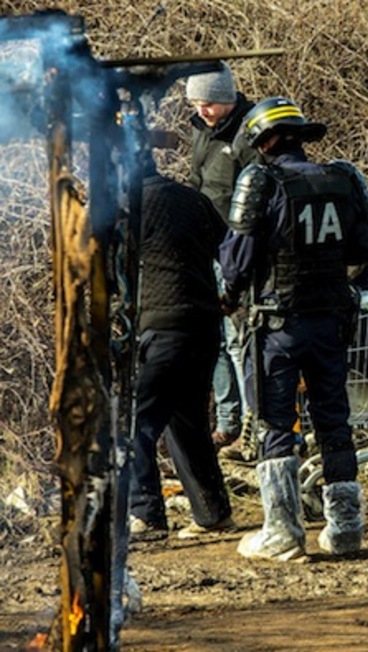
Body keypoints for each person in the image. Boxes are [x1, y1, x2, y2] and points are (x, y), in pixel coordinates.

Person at [220, 97, 368, 561]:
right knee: (334, 422)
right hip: (331, 322)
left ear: (262, 140)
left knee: (275, 423)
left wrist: (227, 293)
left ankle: (283, 532)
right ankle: (346, 529)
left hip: (277, 326)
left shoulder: (260, 182)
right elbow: (362, 248)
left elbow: (238, 262)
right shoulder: (343, 178)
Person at [129, 149, 235, 540]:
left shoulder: (126, 206)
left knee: (133, 424)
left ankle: (147, 515)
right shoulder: (194, 198)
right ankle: (213, 513)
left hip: (161, 326)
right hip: (204, 326)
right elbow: (231, 251)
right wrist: (231, 297)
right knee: (187, 422)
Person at [186, 61, 260, 460]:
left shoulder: (248, 133)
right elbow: (198, 180)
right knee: (212, 338)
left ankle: (251, 424)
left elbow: (255, 192)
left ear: (226, 98)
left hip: (235, 248)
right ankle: (227, 423)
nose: (202, 110)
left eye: (209, 103)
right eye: (197, 103)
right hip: (204, 245)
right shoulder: (201, 129)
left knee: (238, 339)